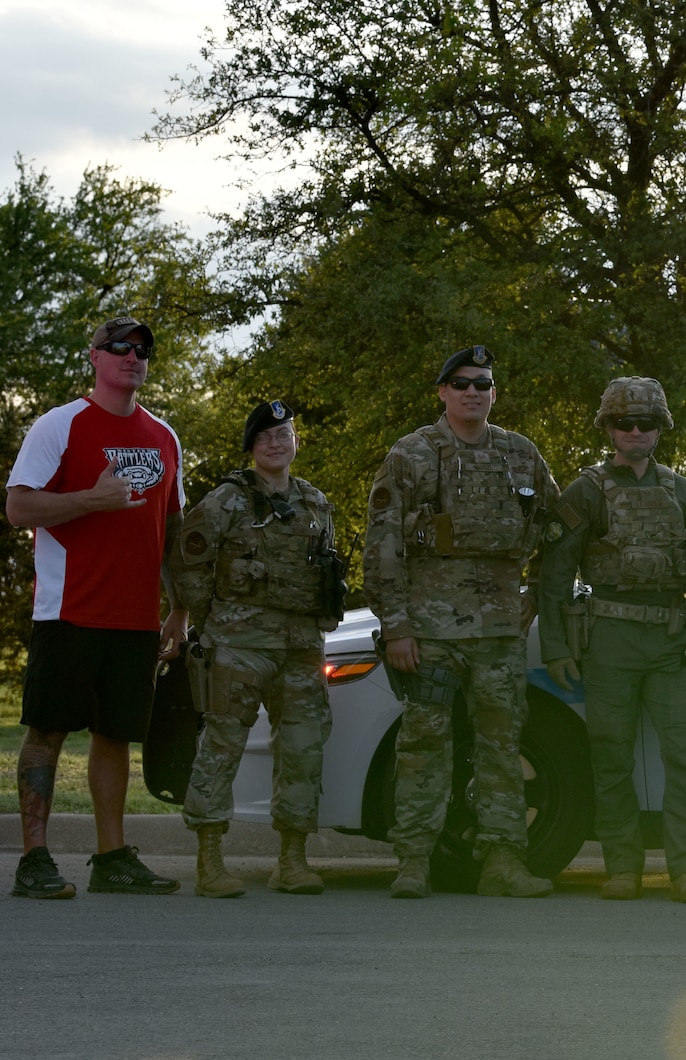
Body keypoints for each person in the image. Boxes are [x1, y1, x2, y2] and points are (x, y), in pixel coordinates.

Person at [363, 345, 559, 900]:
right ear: (443, 392)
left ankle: (503, 861)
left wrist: (540, 592)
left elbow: (558, 530)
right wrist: (397, 625)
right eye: (461, 383)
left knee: (503, 746)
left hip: (499, 631)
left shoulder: (522, 456)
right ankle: (414, 862)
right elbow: (383, 542)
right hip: (430, 631)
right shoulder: (412, 455)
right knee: (424, 744)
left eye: (483, 383)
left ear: (494, 393)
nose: (473, 391)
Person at [538, 377, 686, 903]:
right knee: (611, 758)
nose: (634, 431)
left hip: (672, 642)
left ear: (659, 430)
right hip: (609, 642)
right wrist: (557, 647)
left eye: (645, 423)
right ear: (608, 428)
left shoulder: (677, 488)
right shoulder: (585, 490)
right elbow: (556, 572)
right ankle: (623, 867)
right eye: (623, 422)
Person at [7, 316, 186, 899]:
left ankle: (111, 858)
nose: (132, 357)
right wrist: (92, 499)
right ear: (95, 357)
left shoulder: (164, 436)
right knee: (48, 730)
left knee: (115, 736)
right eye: (120, 348)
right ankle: (35, 859)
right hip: (69, 611)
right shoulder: (59, 426)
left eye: (142, 350)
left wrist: (179, 609)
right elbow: (18, 509)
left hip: (135, 619)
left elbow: (173, 533)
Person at [170, 400, 342, 897]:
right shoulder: (228, 499)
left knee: (303, 749)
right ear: (251, 447)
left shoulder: (315, 502)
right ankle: (210, 863)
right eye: (265, 436)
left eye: (283, 433)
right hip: (240, 645)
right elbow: (190, 560)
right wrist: (215, 622)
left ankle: (292, 861)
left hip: (301, 646)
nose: (276, 442)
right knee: (222, 747)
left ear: (295, 441)